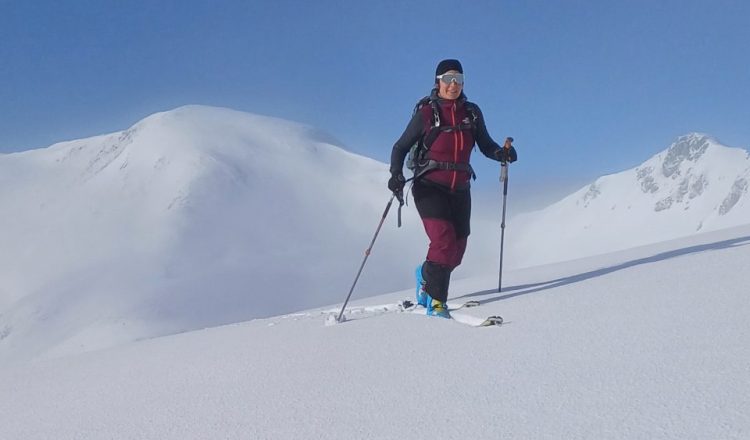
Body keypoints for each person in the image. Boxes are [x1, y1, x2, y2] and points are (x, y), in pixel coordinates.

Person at [388, 59, 517, 318]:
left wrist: (501, 154)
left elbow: (485, 144)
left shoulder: (472, 113)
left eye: (458, 78)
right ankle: (436, 302)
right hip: (428, 186)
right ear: (438, 81)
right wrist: (396, 175)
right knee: (443, 240)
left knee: (456, 251)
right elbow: (400, 147)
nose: (453, 84)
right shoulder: (427, 113)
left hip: (460, 188)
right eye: (448, 79)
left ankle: (424, 274)